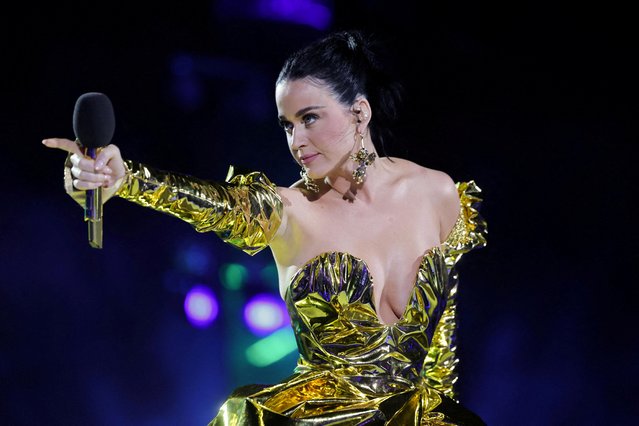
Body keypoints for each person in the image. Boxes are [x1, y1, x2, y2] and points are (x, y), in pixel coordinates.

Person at [43, 30, 487, 425]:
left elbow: (440, 350)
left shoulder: (438, 194)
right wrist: (127, 179)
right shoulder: (290, 209)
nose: (296, 142)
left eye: (309, 118)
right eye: (286, 125)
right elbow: (213, 204)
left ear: (360, 113)